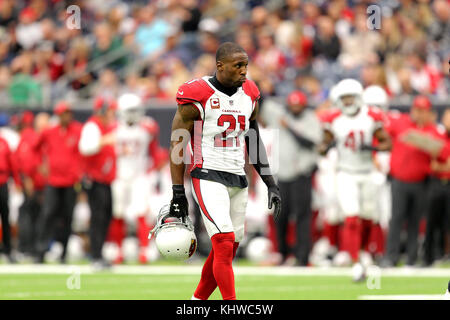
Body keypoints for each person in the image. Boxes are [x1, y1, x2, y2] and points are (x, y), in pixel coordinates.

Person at [169, 42, 281, 300]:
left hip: (238, 178)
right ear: (220, 66)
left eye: (246, 65)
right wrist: (178, 191)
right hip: (208, 174)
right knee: (222, 241)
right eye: (238, 65)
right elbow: (177, 143)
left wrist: (270, 182)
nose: (244, 71)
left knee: (227, 249)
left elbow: (253, 138)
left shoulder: (250, 93)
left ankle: (196, 302)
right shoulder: (197, 93)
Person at [320, 79, 391, 281]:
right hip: (345, 172)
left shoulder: (371, 116)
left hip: (367, 171)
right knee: (351, 217)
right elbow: (322, 144)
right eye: (345, 98)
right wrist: (325, 146)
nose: (348, 101)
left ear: (359, 98)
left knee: (369, 217)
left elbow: (387, 143)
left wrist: (372, 148)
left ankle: (364, 252)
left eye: (351, 97)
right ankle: (356, 261)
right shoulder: (333, 118)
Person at [261, 90, 322, 266]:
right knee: (280, 215)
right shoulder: (281, 114)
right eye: (292, 104)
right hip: (283, 174)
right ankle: (282, 253)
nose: (295, 108)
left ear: (304, 105)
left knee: (303, 216)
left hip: (302, 174)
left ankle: (303, 257)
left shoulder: (310, 118)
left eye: (298, 104)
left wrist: (289, 127)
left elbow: (311, 142)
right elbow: (262, 102)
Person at [383, 95, 443, 267]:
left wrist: (428, 144)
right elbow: (382, 132)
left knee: (415, 221)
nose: (418, 114)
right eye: (416, 109)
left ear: (429, 113)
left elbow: (443, 151)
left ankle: (411, 257)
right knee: (396, 219)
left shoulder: (433, 130)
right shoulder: (401, 123)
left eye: (422, 111)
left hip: (421, 181)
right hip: (399, 180)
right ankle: (391, 257)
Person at [108, 93, 165, 264]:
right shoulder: (113, 127)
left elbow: (154, 152)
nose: (134, 113)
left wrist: (153, 172)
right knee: (117, 213)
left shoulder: (148, 126)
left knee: (141, 213)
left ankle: (144, 249)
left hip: (140, 174)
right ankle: (118, 250)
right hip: (119, 174)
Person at [34, 102, 83, 263]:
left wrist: (79, 173)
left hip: (70, 181)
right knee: (48, 214)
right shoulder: (49, 132)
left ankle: (63, 253)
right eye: (64, 113)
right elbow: (35, 148)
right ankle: (40, 251)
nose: (67, 116)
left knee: (67, 217)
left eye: (69, 113)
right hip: (53, 181)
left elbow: (84, 151)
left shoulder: (77, 130)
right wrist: (41, 165)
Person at [78, 97, 117, 270]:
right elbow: (85, 148)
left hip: (105, 180)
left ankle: (99, 253)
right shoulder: (92, 126)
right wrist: (104, 140)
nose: (112, 114)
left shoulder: (104, 127)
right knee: (98, 217)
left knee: (105, 217)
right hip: (95, 180)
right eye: (109, 111)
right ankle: (95, 255)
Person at [15, 111, 48, 258]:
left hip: (35, 183)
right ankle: (31, 247)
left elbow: (26, 160)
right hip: (35, 182)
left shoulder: (29, 136)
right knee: (32, 214)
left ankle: (28, 247)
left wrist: (26, 179)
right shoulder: (31, 136)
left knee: (30, 214)